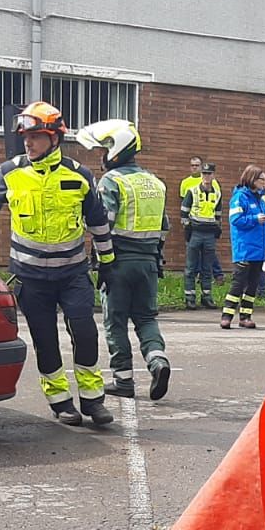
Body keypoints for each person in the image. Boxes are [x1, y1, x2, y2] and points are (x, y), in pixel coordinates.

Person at [0, 100, 115, 426]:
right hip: (30, 277)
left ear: (54, 138)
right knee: (45, 339)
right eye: (25, 136)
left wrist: (107, 263)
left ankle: (93, 401)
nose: (28, 142)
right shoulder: (11, 172)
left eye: (35, 136)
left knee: (85, 332)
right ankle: (60, 401)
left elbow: (98, 223)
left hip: (73, 273)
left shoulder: (80, 175)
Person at [74, 119, 172, 401]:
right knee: (145, 317)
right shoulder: (156, 183)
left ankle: (123, 380)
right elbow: (164, 225)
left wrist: (100, 262)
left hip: (117, 262)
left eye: (104, 150)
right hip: (149, 263)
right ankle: (157, 361)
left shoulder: (111, 181)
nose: (102, 157)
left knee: (115, 321)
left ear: (116, 150)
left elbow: (103, 224)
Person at [224, 165, 265, 329]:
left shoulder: (261, 199)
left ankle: (245, 316)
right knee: (238, 283)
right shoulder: (240, 197)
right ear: (252, 179)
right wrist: (255, 218)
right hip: (244, 248)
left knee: (253, 284)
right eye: (262, 179)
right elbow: (235, 220)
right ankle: (227, 315)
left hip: (258, 249)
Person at [179, 157, 225, 289]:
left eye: (209, 173)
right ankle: (190, 297)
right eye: (204, 174)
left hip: (209, 233)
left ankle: (207, 296)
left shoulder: (216, 192)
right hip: (195, 231)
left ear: (213, 175)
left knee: (207, 267)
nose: (206, 176)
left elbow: (218, 213)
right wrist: (187, 229)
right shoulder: (192, 190)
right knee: (191, 267)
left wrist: (217, 229)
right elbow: (184, 212)